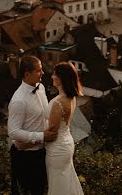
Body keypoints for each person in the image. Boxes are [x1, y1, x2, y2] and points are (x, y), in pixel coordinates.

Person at [8, 56, 57, 195]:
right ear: (27, 74)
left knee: (40, 190)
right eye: (38, 70)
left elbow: (44, 115)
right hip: (25, 156)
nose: (42, 73)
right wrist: (41, 136)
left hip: (41, 152)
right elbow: (13, 132)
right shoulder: (18, 100)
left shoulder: (40, 87)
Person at [44, 61, 85, 195]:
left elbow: (52, 132)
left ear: (62, 78)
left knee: (58, 186)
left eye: (55, 74)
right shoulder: (71, 97)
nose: (52, 77)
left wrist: (30, 137)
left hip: (57, 148)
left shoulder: (58, 103)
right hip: (66, 142)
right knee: (66, 182)